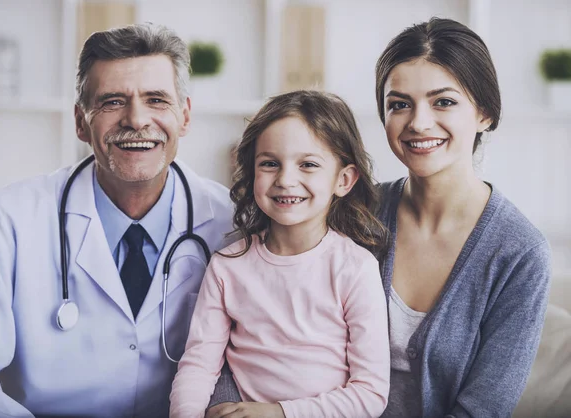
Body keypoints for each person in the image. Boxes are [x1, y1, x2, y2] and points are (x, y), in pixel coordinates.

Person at [0, 23, 235, 417]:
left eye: (157, 100)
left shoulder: (232, 222)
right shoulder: (9, 222)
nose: (136, 119)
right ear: (81, 121)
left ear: (185, 115)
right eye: (112, 101)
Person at [169, 90, 391, 418]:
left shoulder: (355, 268)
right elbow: (199, 366)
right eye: (270, 164)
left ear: (343, 180)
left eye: (308, 165)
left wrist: (278, 412)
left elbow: (369, 394)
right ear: (251, 171)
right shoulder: (227, 266)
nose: (286, 180)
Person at [374, 18, 551, 417]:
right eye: (399, 104)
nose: (418, 122)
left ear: (484, 113)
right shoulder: (357, 212)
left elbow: (484, 409)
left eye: (444, 101)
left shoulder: (520, 253)